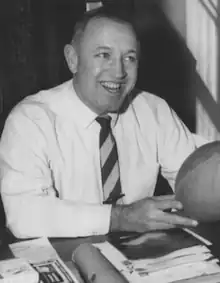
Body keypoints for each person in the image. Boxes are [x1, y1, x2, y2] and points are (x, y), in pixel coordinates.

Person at [0, 7, 199, 239]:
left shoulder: (154, 110)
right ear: (72, 60)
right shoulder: (30, 120)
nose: (119, 72)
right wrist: (119, 218)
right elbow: (24, 216)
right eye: (104, 55)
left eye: (130, 58)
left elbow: (195, 184)